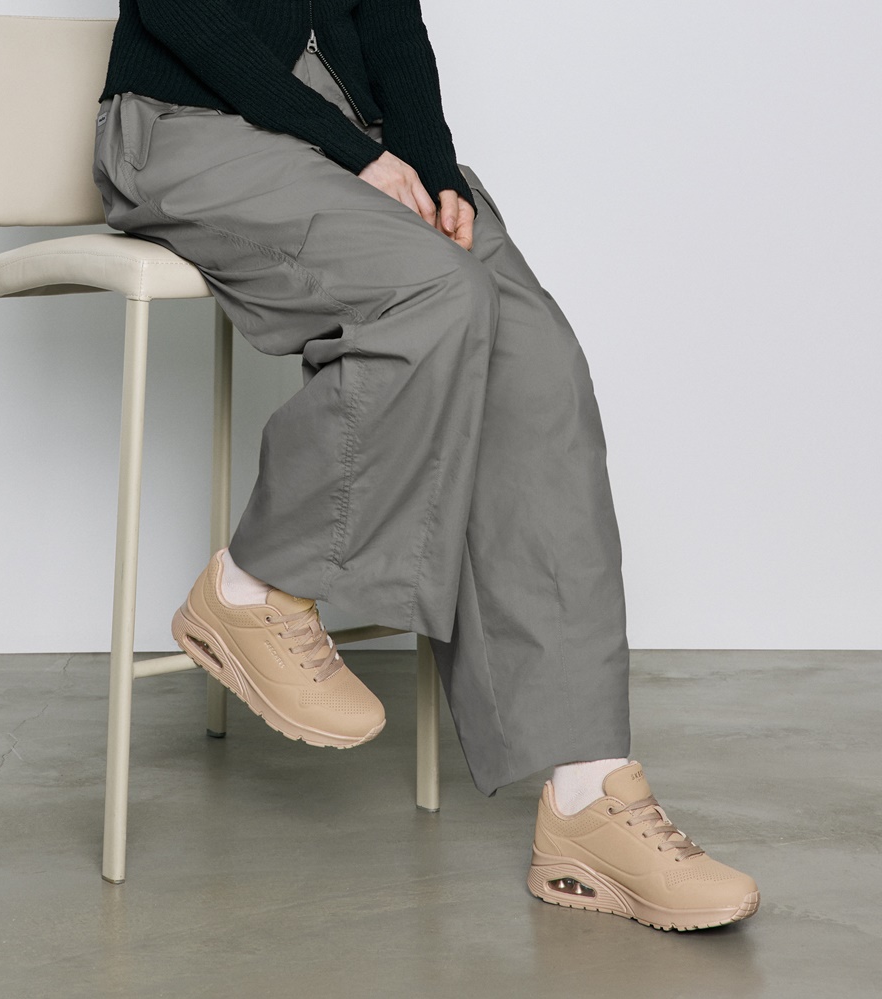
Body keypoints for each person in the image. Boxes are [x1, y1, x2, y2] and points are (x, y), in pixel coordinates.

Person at [92, 0, 759, 931]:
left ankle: (589, 797)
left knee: (537, 367)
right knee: (437, 293)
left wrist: (433, 166)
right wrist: (352, 151)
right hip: (191, 127)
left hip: (348, 141)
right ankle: (253, 587)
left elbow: (391, 24)